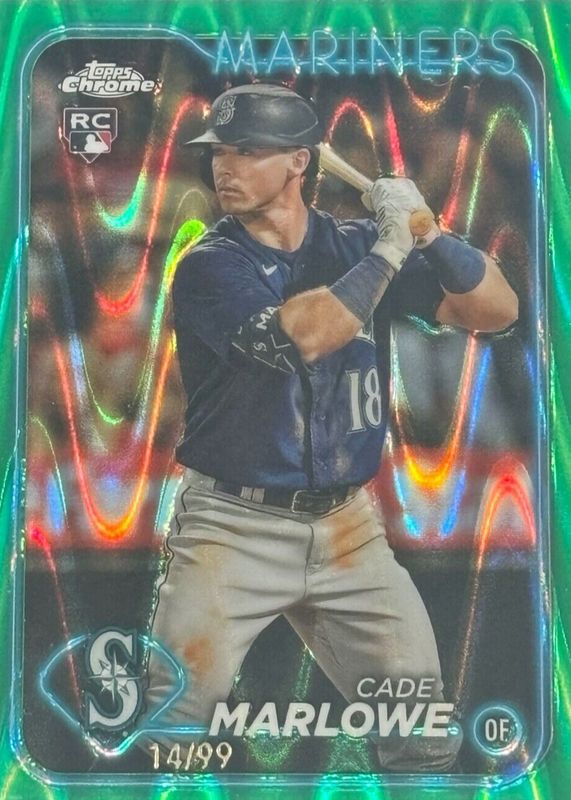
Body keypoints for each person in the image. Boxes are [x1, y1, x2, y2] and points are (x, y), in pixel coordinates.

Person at [143, 83, 518, 772]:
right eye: (220, 152)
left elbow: (496, 309)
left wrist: (431, 234)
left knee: (421, 736)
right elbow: (306, 336)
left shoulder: (353, 245)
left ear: (299, 161)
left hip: (348, 528)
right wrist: (388, 251)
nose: (225, 167)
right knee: (171, 738)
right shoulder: (210, 264)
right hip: (231, 527)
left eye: (247, 151)